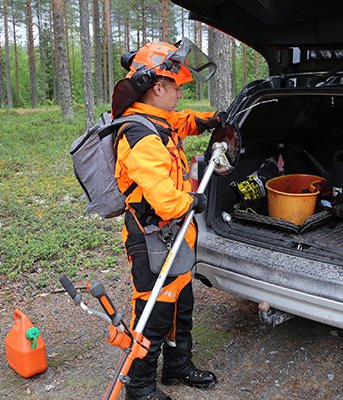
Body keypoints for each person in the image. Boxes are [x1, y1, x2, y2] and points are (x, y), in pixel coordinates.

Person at [113, 41, 222, 400]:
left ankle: (177, 365)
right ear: (158, 88)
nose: (180, 92)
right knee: (154, 313)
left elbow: (182, 121)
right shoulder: (141, 135)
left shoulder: (156, 119)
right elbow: (165, 202)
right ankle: (140, 387)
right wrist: (195, 200)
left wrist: (211, 121)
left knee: (180, 304)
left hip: (174, 235)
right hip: (152, 237)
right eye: (176, 86)